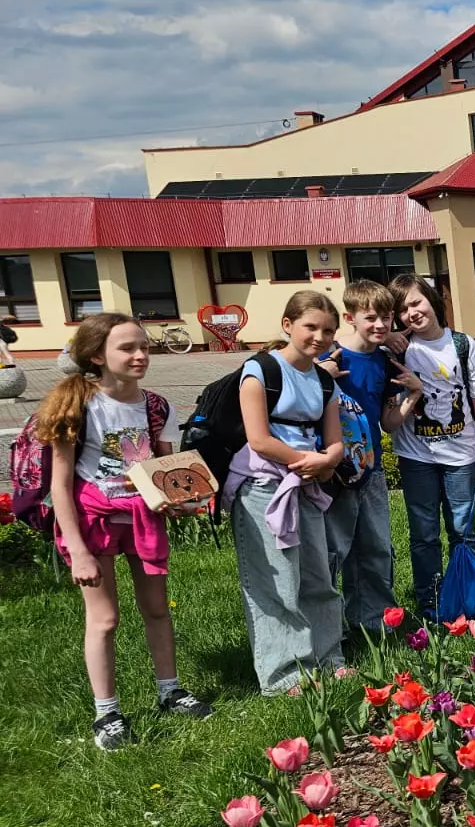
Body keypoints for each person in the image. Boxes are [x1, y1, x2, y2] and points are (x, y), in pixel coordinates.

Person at [37, 313, 212, 750]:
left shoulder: (157, 406)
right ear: (97, 355)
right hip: (93, 521)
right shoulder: (77, 405)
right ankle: (107, 713)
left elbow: (165, 471)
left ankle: (170, 691)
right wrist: (77, 550)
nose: (140, 356)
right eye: (127, 348)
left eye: (144, 347)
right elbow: (60, 485)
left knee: (157, 609)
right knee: (104, 619)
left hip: (143, 519)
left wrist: (180, 501)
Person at [224, 291, 347, 695]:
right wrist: (307, 461)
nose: (319, 337)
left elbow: (335, 440)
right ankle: (285, 673)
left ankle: (329, 658)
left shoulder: (324, 381)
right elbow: (259, 439)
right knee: (275, 582)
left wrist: (327, 459)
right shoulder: (260, 370)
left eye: (328, 330)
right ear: (288, 325)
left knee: (318, 576)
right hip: (263, 486)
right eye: (311, 327)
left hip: (305, 486)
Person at [387, 273, 475, 619]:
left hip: (460, 455)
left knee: (463, 531)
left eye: (416, 302)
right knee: (424, 534)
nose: (412, 313)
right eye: (402, 310)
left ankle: (466, 597)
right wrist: (387, 337)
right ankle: (431, 602)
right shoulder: (397, 349)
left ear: (432, 299)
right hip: (415, 456)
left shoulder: (462, 345)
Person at [319, 279, 399, 640]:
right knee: (334, 550)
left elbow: (386, 419)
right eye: (371, 318)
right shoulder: (331, 357)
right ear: (350, 318)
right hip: (335, 473)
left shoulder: (384, 361)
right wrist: (322, 377)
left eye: (386, 317)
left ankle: (374, 621)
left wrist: (412, 394)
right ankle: (329, 626)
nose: (380, 325)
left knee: (376, 547)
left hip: (372, 468)